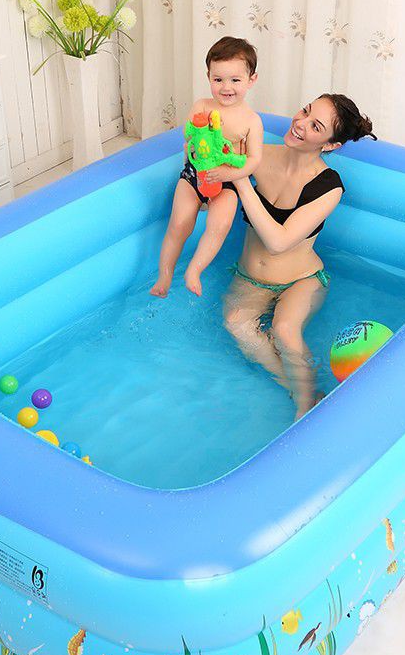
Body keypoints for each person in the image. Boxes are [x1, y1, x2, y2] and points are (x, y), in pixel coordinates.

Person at [223, 94, 376, 419]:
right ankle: (297, 389)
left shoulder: (329, 187)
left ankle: (304, 408)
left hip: (301, 280)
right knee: (236, 325)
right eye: (305, 111)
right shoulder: (259, 156)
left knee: (284, 330)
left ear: (330, 144)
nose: (300, 124)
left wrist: (241, 180)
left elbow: (278, 242)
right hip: (250, 277)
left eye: (315, 126)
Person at [150, 36, 264, 297]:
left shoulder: (252, 121)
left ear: (251, 80)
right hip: (194, 176)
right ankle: (164, 276)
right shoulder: (202, 106)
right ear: (208, 76)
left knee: (220, 225)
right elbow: (189, 139)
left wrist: (228, 172)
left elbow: (254, 159)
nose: (226, 87)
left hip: (227, 181)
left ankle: (194, 270)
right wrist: (196, 146)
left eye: (235, 80)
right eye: (218, 79)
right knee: (179, 223)